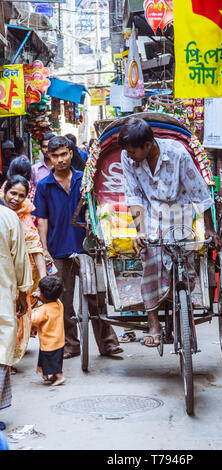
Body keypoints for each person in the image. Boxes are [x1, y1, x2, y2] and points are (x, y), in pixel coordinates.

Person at [118, 117, 221, 347]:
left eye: (133, 151)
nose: (129, 155)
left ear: (148, 144)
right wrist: (141, 231)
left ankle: (180, 316)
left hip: (180, 214)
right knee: (151, 261)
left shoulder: (178, 154)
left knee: (185, 271)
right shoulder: (128, 157)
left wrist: (211, 230)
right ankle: (153, 322)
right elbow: (133, 195)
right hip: (151, 216)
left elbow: (200, 194)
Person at [33, 136, 123, 359]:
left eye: (64, 154)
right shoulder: (45, 185)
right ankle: (71, 345)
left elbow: (95, 210)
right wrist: (44, 249)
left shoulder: (84, 180)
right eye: (55, 156)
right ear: (49, 157)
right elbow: (42, 220)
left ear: (71, 153)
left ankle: (108, 344)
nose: (60, 159)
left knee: (96, 297)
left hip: (87, 247)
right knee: (62, 301)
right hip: (58, 248)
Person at [0, 202, 32, 430]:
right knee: (1, 349)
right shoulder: (8, 218)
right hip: (3, 294)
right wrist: (23, 292)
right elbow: (20, 259)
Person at [32, 276, 66, 386]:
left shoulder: (43, 310)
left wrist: (33, 309)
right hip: (59, 340)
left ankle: (59, 376)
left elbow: (34, 320)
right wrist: (41, 297)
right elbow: (49, 301)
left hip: (49, 342)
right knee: (55, 360)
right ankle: (53, 376)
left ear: (43, 295)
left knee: (50, 360)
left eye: (39, 291)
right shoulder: (58, 304)